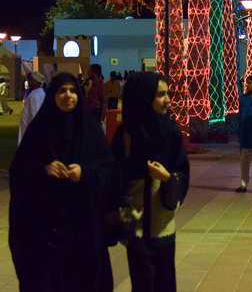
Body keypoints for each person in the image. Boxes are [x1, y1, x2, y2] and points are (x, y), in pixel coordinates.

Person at [9, 72, 114, 291]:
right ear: (53, 96)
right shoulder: (39, 132)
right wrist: (44, 170)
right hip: (46, 234)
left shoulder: (91, 131)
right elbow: (19, 174)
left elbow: (109, 173)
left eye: (73, 91)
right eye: (62, 91)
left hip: (84, 232)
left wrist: (85, 173)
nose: (68, 95)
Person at [113, 72, 190, 292]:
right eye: (160, 95)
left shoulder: (170, 131)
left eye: (168, 94)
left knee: (165, 281)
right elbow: (113, 179)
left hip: (163, 224)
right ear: (144, 97)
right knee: (143, 283)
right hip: (135, 226)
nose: (168, 100)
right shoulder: (126, 135)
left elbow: (182, 171)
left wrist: (167, 177)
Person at [18, 70, 46, 145]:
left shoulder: (35, 95)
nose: (29, 82)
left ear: (36, 81)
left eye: (31, 80)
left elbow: (35, 114)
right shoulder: (38, 92)